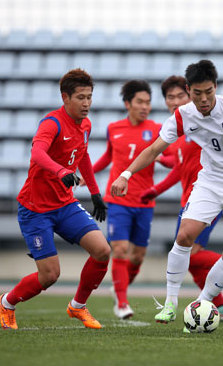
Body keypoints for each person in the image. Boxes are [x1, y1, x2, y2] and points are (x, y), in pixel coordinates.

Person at [110, 60, 223, 328]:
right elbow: (154, 149)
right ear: (189, 90)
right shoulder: (182, 115)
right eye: (197, 93)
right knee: (185, 234)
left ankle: (201, 302)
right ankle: (170, 303)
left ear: (216, 87)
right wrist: (126, 174)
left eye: (208, 92)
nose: (203, 99)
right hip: (210, 182)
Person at [0, 69, 110, 330]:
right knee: (50, 276)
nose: (86, 103)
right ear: (65, 97)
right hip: (35, 209)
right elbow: (37, 153)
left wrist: (94, 192)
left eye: (90, 97)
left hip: (65, 204)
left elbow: (82, 156)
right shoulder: (52, 123)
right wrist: (60, 171)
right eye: (81, 97)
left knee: (103, 251)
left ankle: (78, 306)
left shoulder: (86, 125)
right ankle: (7, 303)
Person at [139, 75, 223, 322]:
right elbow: (178, 168)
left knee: (191, 251)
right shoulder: (182, 134)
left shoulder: (200, 127)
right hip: (193, 197)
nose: (175, 101)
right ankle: (221, 308)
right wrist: (156, 189)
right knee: (190, 257)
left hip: (214, 194)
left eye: (179, 96)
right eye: (169, 97)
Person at [91, 79, 166, 320]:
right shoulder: (114, 128)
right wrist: (90, 173)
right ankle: (122, 302)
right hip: (118, 200)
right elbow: (109, 156)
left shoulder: (156, 129)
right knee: (120, 250)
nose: (145, 106)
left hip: (144, 201)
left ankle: (118, 287)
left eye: (148, 102)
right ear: (127, 103)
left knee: (138, 256)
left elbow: (166, 156)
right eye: (140, 102)